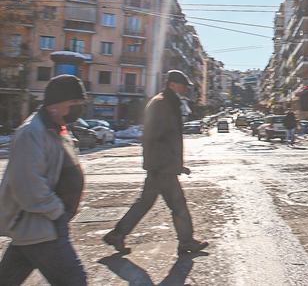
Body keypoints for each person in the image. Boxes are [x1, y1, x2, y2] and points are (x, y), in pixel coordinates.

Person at [103, 70, 208, 255]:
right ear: (172, 85)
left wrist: (175, 164)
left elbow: (165, 138)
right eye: (183, 86)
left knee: (144, 203)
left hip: (160, 166)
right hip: (162, 167)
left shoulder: (167, 102)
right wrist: (168, 164)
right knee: (178, 204)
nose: (185, 90)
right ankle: (186, 241)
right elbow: (154, 137)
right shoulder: (162, 104)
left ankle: (117, 234)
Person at [0, 74, 88, 286]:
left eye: (81, 103)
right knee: (74, 280)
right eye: (74, 102)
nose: (79, 108)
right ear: (54, 104)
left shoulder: (56, 129)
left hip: (36, 227)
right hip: (40, 226)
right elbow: (28, 188)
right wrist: (57, 212)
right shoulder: (31, 133)